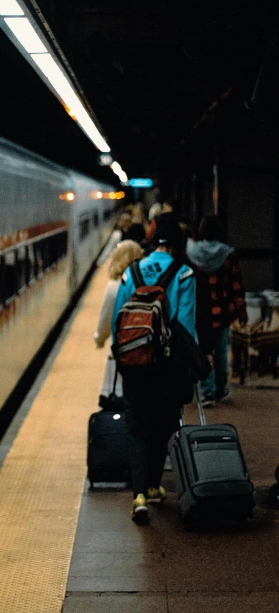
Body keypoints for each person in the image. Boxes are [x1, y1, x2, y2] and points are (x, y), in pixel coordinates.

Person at [112, 212, 196, 523]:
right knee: (163, 423)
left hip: (133, 361)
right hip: (167, 364)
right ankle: (155, 483)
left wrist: (120, 355)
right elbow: (186, 324)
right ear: (176, 244)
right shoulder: (185, 275)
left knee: (137, 426)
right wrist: (194, 363)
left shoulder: (131, 272)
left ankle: (139, 495)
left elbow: (116, 319)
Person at [186, 215, 247, 407]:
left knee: (203, 351)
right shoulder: (228, 256)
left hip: (199, 311)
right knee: (221, 352)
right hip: (222, 312)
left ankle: (207, 391)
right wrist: (241, 310)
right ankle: (220, 389)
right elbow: (236, 286)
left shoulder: (192, 253)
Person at [94, 241, 144, 398]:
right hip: (145, 349)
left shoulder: (113, 286)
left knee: (120, 396)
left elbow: (106, 319)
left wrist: (99, 339)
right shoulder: (145, 282)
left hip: (121, 352)